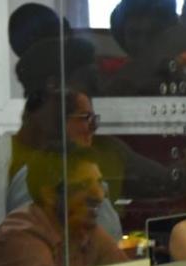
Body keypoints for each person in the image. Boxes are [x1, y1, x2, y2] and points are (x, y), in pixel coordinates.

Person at [0, 147, 126, 266]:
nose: (99, 195)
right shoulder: (20, 236)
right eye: (84, 185)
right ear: (49, 194)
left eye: (99, 183)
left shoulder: (83, 229)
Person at [7, 88, 123, 240]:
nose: (93, 128)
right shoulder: (40, 174)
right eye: (87, 118)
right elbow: (30, 240)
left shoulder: (83, 167)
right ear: (58, 122)